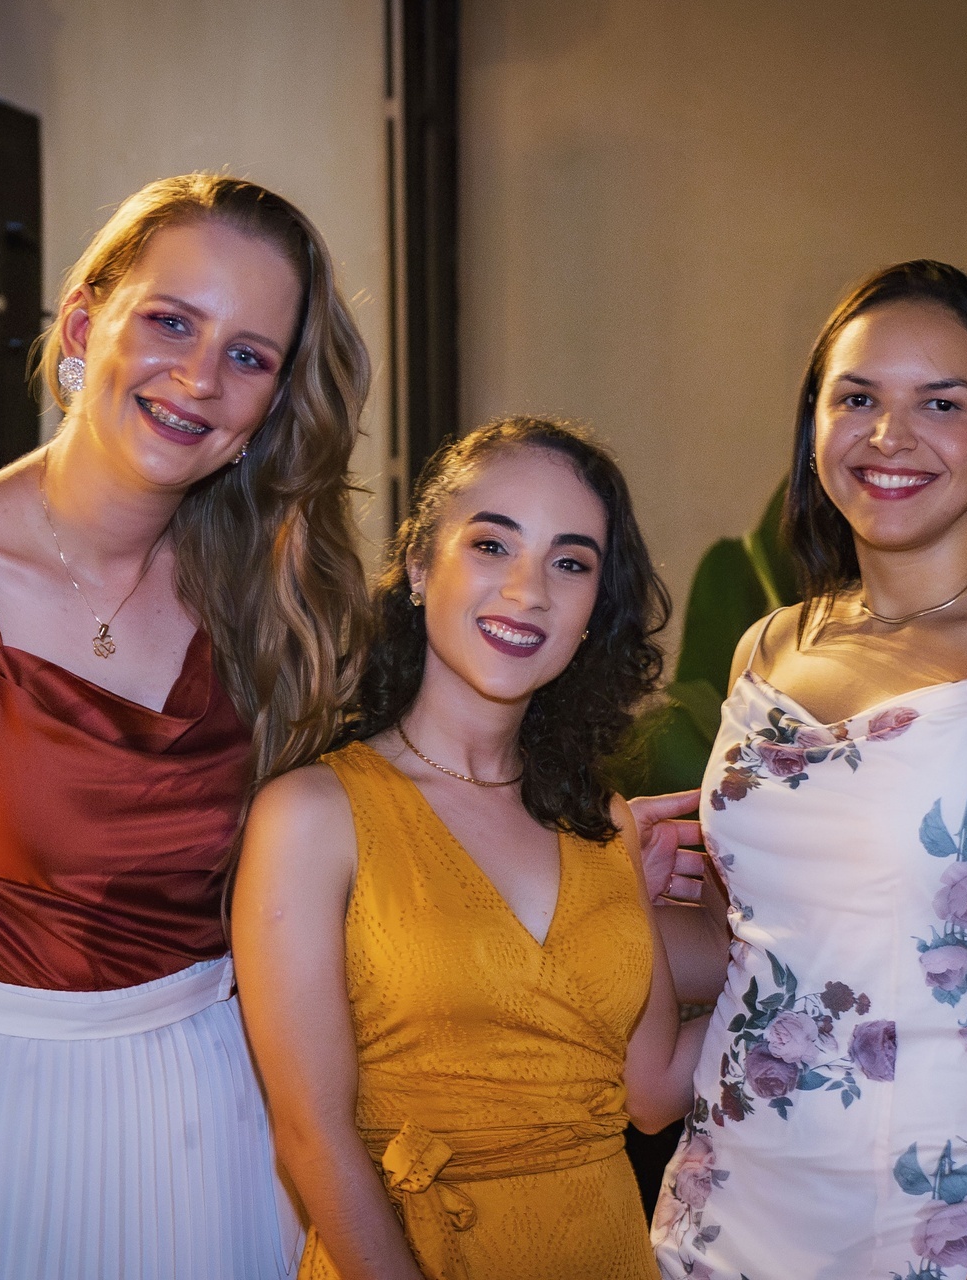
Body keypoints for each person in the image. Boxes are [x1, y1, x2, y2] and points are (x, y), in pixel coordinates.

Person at [0, 174, 372, 1280]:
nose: (200, 377)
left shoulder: (265, 588)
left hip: (221, 1123)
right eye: (171, 321)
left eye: (250, 355)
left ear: (273, 403)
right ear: (80, 325)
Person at [647, 261, 967, 1280]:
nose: (889, 435)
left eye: (941, 402)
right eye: (856, 399)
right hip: (719, 1211)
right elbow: (745, 944)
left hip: (930, 1223)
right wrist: (606, 892)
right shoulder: (768, 648)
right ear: (814, 428)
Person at [235, 417, 706, 1280]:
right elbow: (310, 1134)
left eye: (570, 564)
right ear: (420, 566)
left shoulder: (603, 822)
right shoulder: (312, 815)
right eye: (493, 545)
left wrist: (804, 945)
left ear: (594, 611)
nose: (528, 591)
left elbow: (654, 1093)